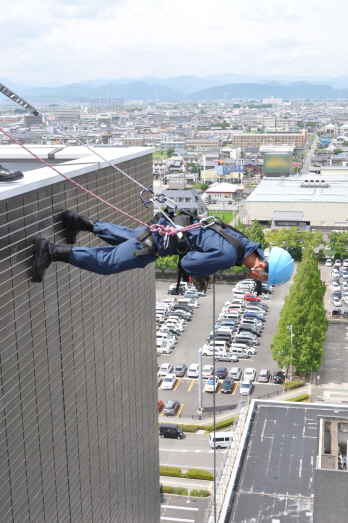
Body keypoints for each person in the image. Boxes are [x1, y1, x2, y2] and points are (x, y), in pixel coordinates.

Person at [32, 210, 294, 288]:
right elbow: (188, 263)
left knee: (122, 236)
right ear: (261, 267)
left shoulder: (241, 241)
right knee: (108, 263)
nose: (259, 282)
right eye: (264, 279)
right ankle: (51, 251)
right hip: (158, 244)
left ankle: (76, 221)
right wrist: (203, 274)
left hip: (166, 230)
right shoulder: (228, 256)